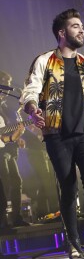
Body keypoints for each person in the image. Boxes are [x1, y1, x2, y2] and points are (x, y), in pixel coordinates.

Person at [19, 8, 84, 259]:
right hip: (57, 134)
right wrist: (33, 110)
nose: (82, 29)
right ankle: (73, 242)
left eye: (82, 25)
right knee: (68, 186)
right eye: (76, 26)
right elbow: (30, 91)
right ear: (62, 33)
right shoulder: (44, 61)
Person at [0, 70, 30, 229]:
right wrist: (11, 137)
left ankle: (16, 217)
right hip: (1, 152)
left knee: (16, 182)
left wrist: (18, 137)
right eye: (5, 83)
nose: (8, 87)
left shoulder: (4, 106)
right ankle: (3, 220)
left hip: (9, 150)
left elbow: (5, 129)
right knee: (4, 184)